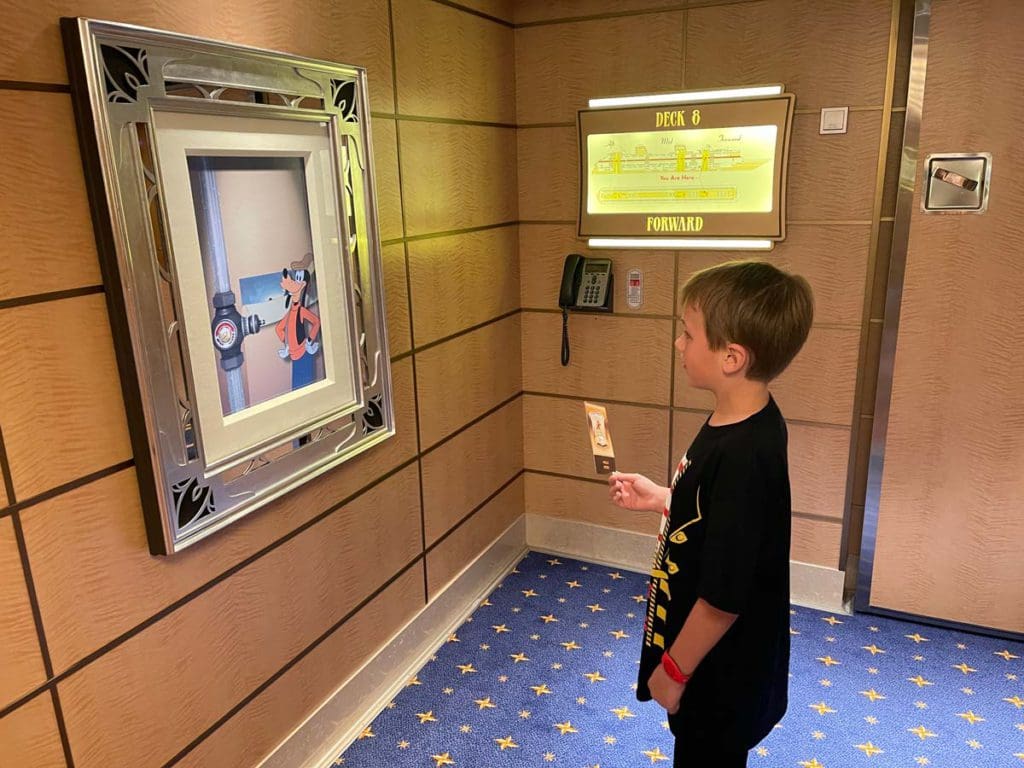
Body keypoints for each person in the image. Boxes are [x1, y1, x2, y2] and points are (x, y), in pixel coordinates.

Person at [608, 260, 814, 767]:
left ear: (731, 357)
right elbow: (721, 517)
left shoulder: (745, 453)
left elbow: (723, 598)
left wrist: (673, 671)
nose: (678, 344)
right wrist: (663, 498)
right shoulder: (743, 416)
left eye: (688, 333)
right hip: (718, 662)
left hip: (719, 671)